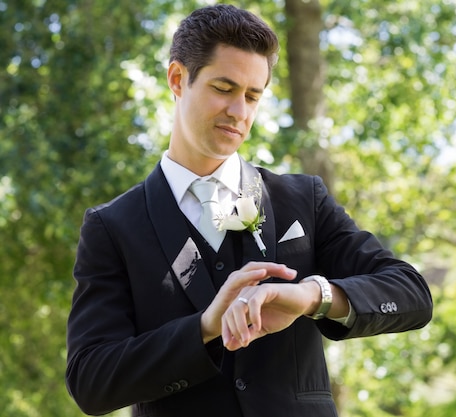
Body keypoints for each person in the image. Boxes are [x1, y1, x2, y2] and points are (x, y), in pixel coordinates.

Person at [65, 4, 433, 417]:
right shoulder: (112, 226)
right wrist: (205, 327)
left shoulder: (302, 199)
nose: (239, 112)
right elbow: (89, 380)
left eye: (252, 96)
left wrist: (313, 296)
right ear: (177, 79)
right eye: (224, 88)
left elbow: (411, 294)